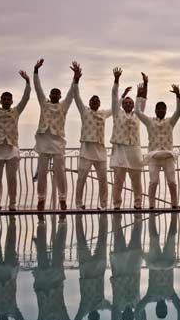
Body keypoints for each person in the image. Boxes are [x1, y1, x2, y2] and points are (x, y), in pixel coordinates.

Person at [30, 215, 80, 320]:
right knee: (44, 253)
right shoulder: (44, 319)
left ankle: (59, 225)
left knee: (56, 251)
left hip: (50, 279)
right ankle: (50, 228)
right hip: (47, 279)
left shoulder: (56, 316)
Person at [0, 66, 31, 211]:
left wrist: (28, 83)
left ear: (12, 101)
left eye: (9, 98)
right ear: (1, 100)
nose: (7, 100)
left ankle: (13, 203)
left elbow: (25, 99)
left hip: (12, 150)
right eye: (5, 98)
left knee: (12, 180)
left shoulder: (16, 111)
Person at [32, 59, 78, 211]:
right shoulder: (44, 103)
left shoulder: (63, 106)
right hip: (44, 144)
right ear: (50, 95)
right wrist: (36, 72)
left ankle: (63, 198)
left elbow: (71, 94)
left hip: (58, 144)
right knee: (42, 174)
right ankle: (41, 199)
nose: (55, 95)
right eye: (53, 93)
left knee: (60, 174)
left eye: (58, 93)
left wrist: (75, 79)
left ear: (60, 96)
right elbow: (38, 89)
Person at [134, 213, 180, 320]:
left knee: (154, 236)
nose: (162, 308)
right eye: (164, 310)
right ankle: (173, 215)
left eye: (160, 310)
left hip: (155, 261)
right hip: (167, 262)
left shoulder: (151, 296)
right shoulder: (170, 295)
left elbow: (138, 309)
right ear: (166, 308)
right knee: (171, 236)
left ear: (157, 308)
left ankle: (152, 214)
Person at [135, 73, 180, 209]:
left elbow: (179, 111)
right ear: (155, 110)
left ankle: (174, 205)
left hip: (168, 156)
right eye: (159, 108)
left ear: (165, 110)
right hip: (154, 156)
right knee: (153, 182)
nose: (161, 110)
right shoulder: (150, 122)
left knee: (172, 182)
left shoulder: (170, 122)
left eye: (163, 109)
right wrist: (139, 95)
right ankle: (151, 206)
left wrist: (178, 96)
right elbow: (138, 112)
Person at [70, 62, 112, 209]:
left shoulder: (103, 114)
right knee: (81, 178)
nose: (95, 102)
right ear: (89, 103)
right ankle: (78, 204)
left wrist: (121, 95)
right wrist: (76, 79)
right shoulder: (84, 111)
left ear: (100, 103)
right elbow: (76, 96)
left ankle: (104, 205)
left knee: (103, 180)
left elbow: (115, 107)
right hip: (86, 151)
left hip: (100, 152)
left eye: (97, 100)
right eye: (92, 100)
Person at [72, 213, 112, 320]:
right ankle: (80, 217)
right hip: (87, 269)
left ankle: (102, 215)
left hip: (97, 268)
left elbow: (115, 311)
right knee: (81, 238)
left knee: (102, 238)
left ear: (96, 315)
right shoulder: (85, 308)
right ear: (89, 316)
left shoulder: (101, 305)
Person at [110, 213, 147, 320]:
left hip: (121, 264)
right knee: (136, 231)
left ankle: (117, 211)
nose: (127, 313)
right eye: (129, 315)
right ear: (132, 313)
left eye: (123, 316)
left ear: (121, 315)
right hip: (132, 264)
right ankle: (136, 212)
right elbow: (141, 315)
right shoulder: (136, 304)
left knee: (118, 232)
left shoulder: (117, 306)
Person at [110, 68, 143, 210]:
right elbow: (113, 97)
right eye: (126, 103)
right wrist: (117, 81)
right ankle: (117, 205)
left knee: (136, 181)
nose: (129, 104)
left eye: (131, 103)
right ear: (122, 104)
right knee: (118, 181)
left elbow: (142, 101)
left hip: (134, 151)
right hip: (120, 152)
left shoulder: (137, 115)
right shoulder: (117, 113)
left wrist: (143, 89)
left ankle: (138, 204)